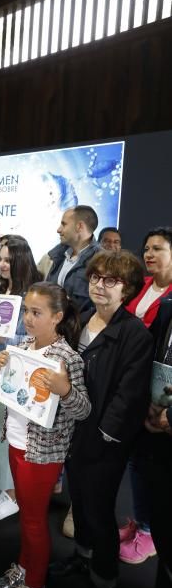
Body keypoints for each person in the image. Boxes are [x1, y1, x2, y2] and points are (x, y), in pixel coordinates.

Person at [50, 251, 153, 588]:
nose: (100, 285)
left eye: (111, 281)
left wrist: (105, 435)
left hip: (104, 441)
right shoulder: (80, 321)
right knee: (79, 501)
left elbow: (129, 395)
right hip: (73, 431)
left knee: (98, 511)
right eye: (96, 278)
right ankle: (83, 556)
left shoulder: (134, 333)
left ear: (126, 289)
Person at [0, 282, 90, 588]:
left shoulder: (67, 359)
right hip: (17, 442)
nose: (28, 319)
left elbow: (84, 411)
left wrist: (64, 390)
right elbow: (11, 391)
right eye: (26, 311)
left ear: (58, 317)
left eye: (37, 313)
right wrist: (2, 365)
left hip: (43, 454)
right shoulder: (22, 346)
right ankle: (24, 566)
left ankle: (35, 587)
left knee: (33, 520)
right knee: (27, 516)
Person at [118, 226, 172, 564]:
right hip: (135, 388)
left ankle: (151, 532)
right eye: (146, 248)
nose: (149, 254)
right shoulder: (143, 287)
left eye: (158, 249)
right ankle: (141, 522)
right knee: (136, 461)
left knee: (154, 467)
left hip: (160, 400)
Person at [0, 236, 41, 522]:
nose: (2, 264)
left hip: (16, 374)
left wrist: (3, 337)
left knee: (9, 434)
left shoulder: (33, 294)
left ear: (20, 260)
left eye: (8, 259)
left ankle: (12, 493)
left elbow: (36, 337)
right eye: (0, 258)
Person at [129, 293, 172, 588]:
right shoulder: (168, 308)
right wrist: (149, 405)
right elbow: (152, 362)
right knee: (162, 519)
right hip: (157, 433)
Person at [46, 205, 100, 311]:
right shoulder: (57, 255)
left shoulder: (101, 260)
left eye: (64, 224)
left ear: (79, 226)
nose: (58, 229)